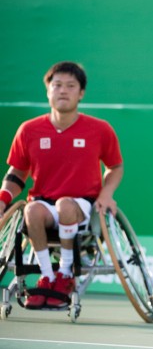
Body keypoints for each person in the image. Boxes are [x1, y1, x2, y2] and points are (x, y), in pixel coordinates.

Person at [0, 61, 123, 309]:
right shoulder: (29, 130)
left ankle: (66, 274)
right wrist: (3, 200)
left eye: (70, 86)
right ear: (48, 91)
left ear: (81, 93)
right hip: (44, 205)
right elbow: (17, 174)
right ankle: (48, 275)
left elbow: (115, 167)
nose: (63, 91)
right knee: (31, 210)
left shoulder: (100, 129)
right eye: (57, 85)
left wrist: (107, 193)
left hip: (81, 205)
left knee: (65, 205)